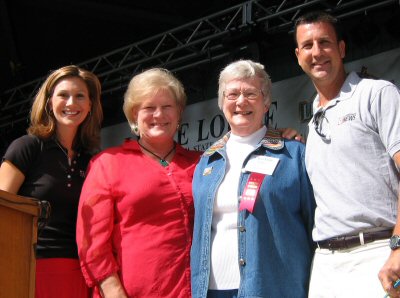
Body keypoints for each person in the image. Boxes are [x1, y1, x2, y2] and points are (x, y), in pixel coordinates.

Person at [294, 11, 400, 297]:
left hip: (378, 253)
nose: (317, 53)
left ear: (341, 48)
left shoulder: (377, 94)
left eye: (324, 42)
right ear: (298, 55)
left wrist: (399, 247)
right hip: (326, 264)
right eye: (308, 46)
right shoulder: (313, 120)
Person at [190, 59, 316, 298]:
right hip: (212, 290)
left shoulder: (293, 154)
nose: (240, 101)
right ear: (221, 102)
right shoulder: (207, 162)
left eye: (250, 93)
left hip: (272, 288)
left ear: (266, 102)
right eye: (232, 94)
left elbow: (314, 224)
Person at [76, 68, 202, 297]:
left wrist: (277, 137)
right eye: (149, 107)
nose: (159, 115)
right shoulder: (109, 163)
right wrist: (112, 290)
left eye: (167, 106)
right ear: (134, 115)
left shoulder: (201, 163)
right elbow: (91, 242)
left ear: (179, 112)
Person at [0, 65, 103, 298]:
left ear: (90, 105)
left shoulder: (93, 160)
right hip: (30, 267)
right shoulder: (27, 147)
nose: (71, 103)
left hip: (79, 271)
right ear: (48, 102)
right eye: (63, 95)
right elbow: (2, 211)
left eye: (80, 96)